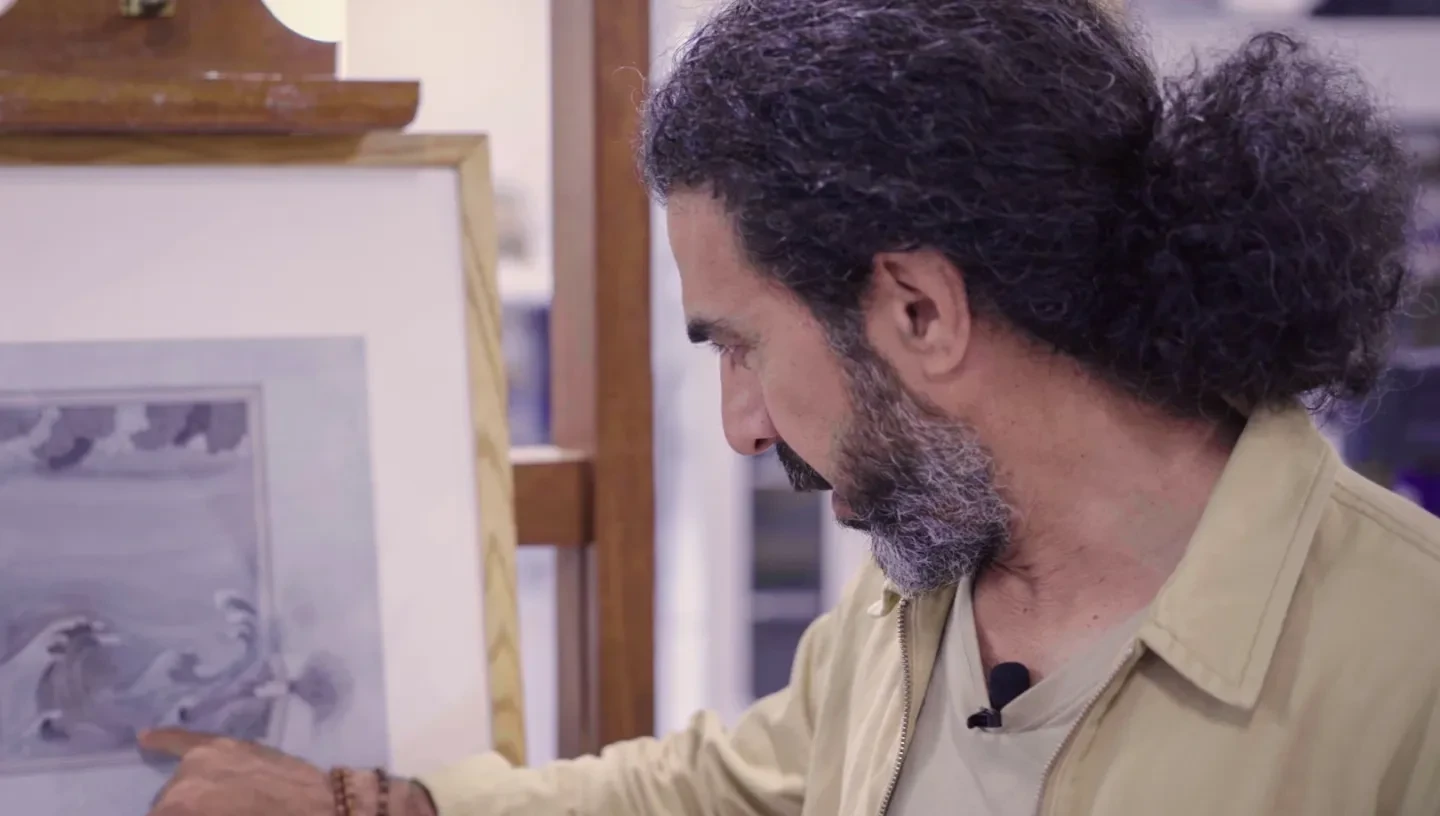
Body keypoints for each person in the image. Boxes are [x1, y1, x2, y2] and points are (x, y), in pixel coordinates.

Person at [143, 0, 1439, 814]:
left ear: (918, 310)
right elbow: (722, 787)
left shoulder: (1408, 671)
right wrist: (378, 805)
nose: (741, 425)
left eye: (741, 347)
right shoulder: (918, 597)